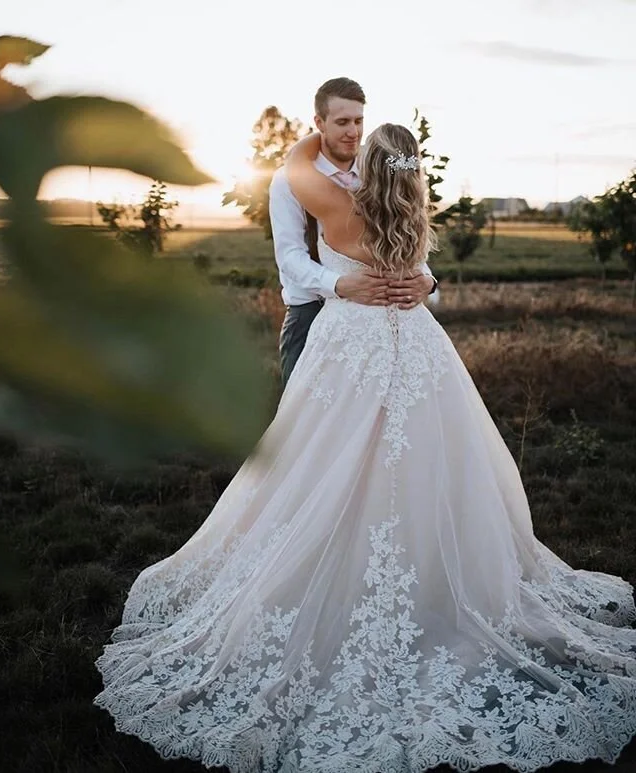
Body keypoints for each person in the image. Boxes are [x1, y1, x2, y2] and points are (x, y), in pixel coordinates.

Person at [93, 123, 636, 773]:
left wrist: (312, 134)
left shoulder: (340, 206)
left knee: (317, 461)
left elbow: (298, 175)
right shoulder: (412, 212)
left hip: (349, 342)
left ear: (367, 164)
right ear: (412, 170)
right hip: (413, 339)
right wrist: (425, 282)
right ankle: (440, 583)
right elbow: (419, 268)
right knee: (426, 465)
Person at [269, 77, 437, 387]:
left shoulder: (381, 168)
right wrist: (339, 284)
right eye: (343, 122)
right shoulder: (287, 181)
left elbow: (402, 232)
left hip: (382, 318)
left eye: (359, 121)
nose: (354, 131)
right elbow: (289, 256)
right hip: (310, 312)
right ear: (319, 122)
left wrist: (426, 281)